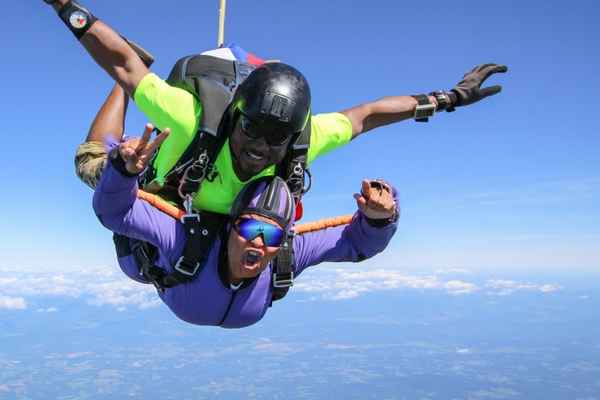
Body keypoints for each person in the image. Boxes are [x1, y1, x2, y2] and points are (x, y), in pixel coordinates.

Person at [46, 0, 508, 215]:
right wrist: (65, 5)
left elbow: (366, 115)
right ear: (235, 116)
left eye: (277, 138)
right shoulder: (190, 117)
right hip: (154, 184)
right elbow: (124, 64)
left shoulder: (303, 139)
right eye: (251, 129)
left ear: (293, 134)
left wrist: (446, 99)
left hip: (217, 214)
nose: (261, 147)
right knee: (93, 157)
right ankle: (120, 133)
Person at [93, 126, 399, 328]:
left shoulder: (286, 255)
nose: (260, 243)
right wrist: (122, 169)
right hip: (137, 256)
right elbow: (115, 213)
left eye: (273, 235)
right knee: (92, 163)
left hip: (178, 286)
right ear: (230, 227)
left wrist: (380, 218)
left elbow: (357, 244)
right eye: (251, 229)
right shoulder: (186, 238)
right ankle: (118, 93)